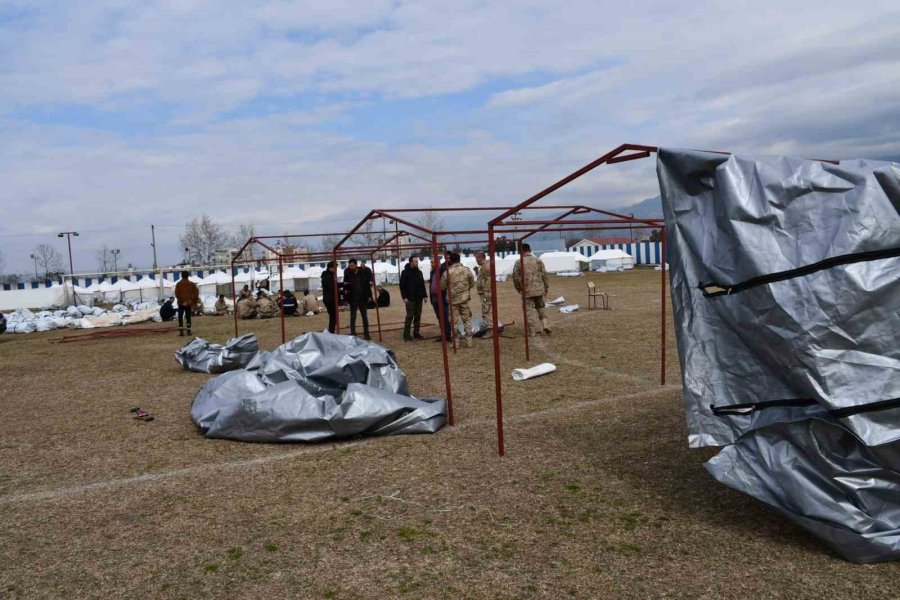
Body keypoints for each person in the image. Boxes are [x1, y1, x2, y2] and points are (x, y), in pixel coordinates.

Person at [511, 243, 551, 336]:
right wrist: (546, 287)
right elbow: (544, 275)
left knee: (528, 311)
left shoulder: (519, 262)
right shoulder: (538, 260)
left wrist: (519, 289)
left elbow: (515, 277)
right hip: (539, 289)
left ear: (522, 251)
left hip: (527, 291)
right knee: (541, 308)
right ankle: (545, 324)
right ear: (530, 250)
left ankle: (531, 331)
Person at [441, 252, 476, 347]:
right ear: (460, 259)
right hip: (464, 299)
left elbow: (442, 286)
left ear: (450, 260)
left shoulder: (448, 272)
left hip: (453, 301)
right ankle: (469, 341)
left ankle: (455, 343)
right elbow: (472, 284)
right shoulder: (467, 270)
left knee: (453, 321)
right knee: (467, 320)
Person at [343, 258, 373, 339]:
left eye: (352, 265)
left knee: (364, 316)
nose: (350, 267)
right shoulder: (347, 273)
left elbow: (367, 285)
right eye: (349, 265)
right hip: (353, 299)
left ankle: (366, 333)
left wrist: (370, 296)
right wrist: (346, 299)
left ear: (356, 265)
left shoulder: (362, 272)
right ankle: (353, 333)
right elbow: (345, 286)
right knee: (353, 317)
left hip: (362, 299)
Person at [399, 256, 427, 341]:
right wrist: (404, 297)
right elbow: (402, 286)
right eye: (415, 261)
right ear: (411, 262)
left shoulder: (419, 272)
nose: (417, 263)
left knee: (418, 316)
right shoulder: (405, 272)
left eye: (417, 261)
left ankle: (416, 333)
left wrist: (425, 295)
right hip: (410, 299)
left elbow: (422, 285)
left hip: (419, 298)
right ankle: (406, 334)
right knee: (409, 316)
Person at [429, 254, 451, 342]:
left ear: (438, 262)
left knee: (445, 316)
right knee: (439, 317)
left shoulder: (442, 270)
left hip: (441, 297)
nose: (431, 264)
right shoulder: (432, 271)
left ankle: (448, 335)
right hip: (434, 297)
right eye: (431, 262)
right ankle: (443, 334)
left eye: (433, 262)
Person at [174, 271, 200, 336]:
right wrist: (191, 302)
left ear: (181, 276)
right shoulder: (192, 284)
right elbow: (196, 294)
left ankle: (181, 331)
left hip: (181, 303)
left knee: (180, 317)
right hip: (189, 303)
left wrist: (183, 301)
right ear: (188, 276)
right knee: (188, 317)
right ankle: (188, 331)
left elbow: (177, 294)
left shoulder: (178, 284)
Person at [475, 251, 493, 327]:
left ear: (481, 258)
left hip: (485, 293)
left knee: (487, 311)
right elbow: (483, 278)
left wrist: (486, 291)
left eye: (477, 259)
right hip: (483, 292)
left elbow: (489, 279)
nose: (476, 260)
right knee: (485, 310)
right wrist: (476, 272)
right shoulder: (483, 266)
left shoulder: (486, 266)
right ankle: (488, 326)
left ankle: (491, 328)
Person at [321, 261, 338, 333]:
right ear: (331, 268)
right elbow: (331, 288)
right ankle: (331, 332)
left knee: (333, 317)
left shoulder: (329, 275)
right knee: (333, 317)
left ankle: (332, 331)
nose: (336, 269)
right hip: (330, 300)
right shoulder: (328, 277)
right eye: (335, 268)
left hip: (329, 299)